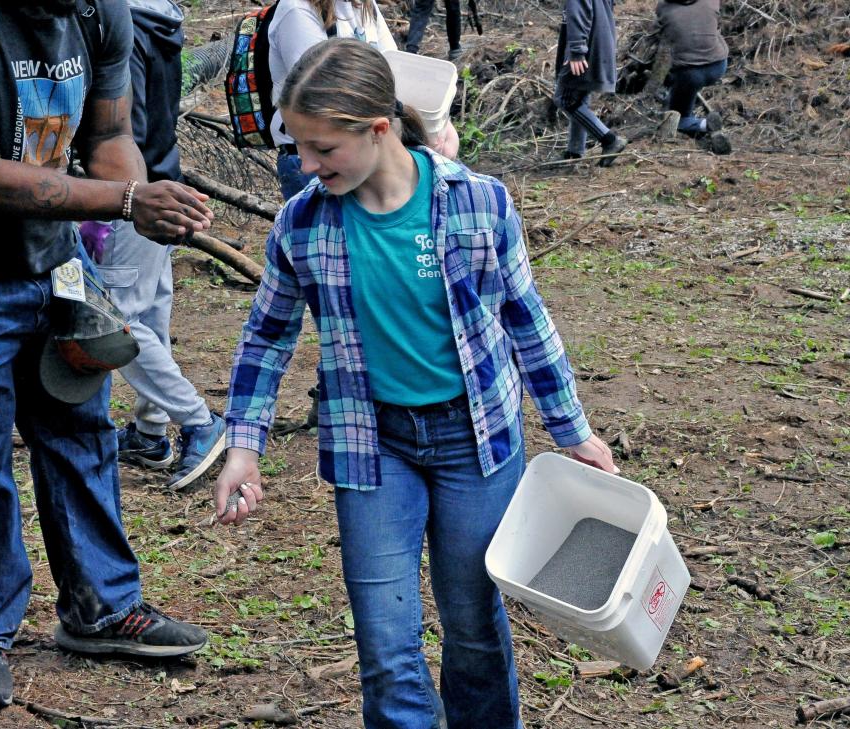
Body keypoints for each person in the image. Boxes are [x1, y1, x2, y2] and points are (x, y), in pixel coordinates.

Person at [214, 38, 618, 729]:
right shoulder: (304, 223)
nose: (306, 165)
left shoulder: (476, 203)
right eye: (300, 148)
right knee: (385, 643)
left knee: (472, 627)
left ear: (377, 129)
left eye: (321, 149)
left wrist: (572, 428)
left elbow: (525, 318)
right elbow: (267, 337)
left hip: (476, 441)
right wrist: (243, 446)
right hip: (375, 448)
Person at [0, 0, 212, 708]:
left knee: (80, 429)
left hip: (55, 259)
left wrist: (134, 190)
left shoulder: (99, 11)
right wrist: (126, 202)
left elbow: (111, 132)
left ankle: (101, 607)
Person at [86, 0, 226, 490]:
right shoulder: (161, 21)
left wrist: (107, 193)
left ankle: (200, 422)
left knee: (116, 320)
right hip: (163, 183)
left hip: (135, 195)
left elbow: (129, 128)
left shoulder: (118, 28)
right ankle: (149, 434)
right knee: (148, 317)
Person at [268, 0, 459, 202]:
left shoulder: (364, 5)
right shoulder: (296, 11)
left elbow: (394, 73)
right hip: (321, 158)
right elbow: (325, 99)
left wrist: (438, 124)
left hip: (362, 155)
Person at [554, 0, 628, 165]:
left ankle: (610, 140)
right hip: (599, 41)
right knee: (579, 97)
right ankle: (574, 152)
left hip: (587, 47)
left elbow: (578, 12)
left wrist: (577, 50)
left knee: (565, 98)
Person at [655, 0, 728, 136]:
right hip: (718, 65)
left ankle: (704, 125)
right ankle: (686, 100)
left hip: (689, 74)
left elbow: (658, 35)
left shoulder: (663, 7)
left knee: (678, 118)